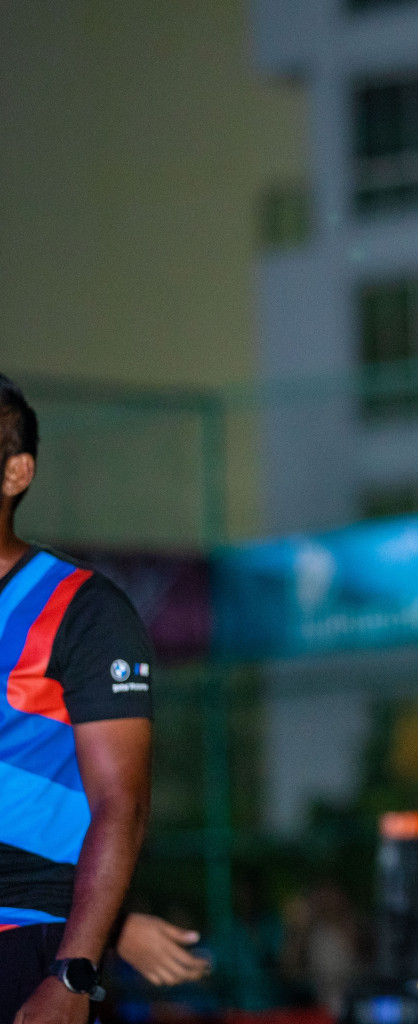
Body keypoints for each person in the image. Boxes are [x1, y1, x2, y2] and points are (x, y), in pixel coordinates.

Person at [0, 374, 155, 1024]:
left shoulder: (83, 611)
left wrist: (73, 973)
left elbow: (123, 806)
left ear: (16, 473)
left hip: (27, 938)